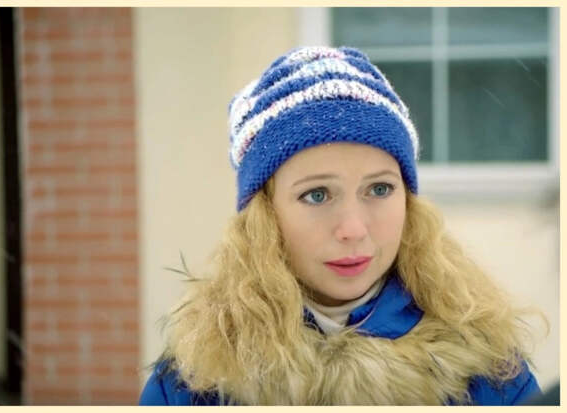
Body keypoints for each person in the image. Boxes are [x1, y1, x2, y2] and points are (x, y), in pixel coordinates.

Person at [139, 46, 545, 405]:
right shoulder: (198, 380)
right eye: (317, 195)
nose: (353, 229)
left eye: (380, 189)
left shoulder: (488, 373)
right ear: (264, 216)